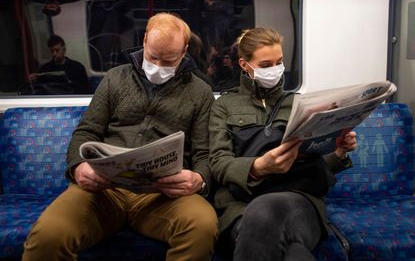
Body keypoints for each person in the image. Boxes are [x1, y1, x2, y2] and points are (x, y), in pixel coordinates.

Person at [22, 13, 218, 261]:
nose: (158, 67)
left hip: (162, 196)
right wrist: (78, 167)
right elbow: (86, 131)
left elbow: (203, 153)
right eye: (153, 57)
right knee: (48, 236)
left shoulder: (200, 92)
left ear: (184, 51)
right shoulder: (115, 78)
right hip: (105, 192)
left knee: (202, 226)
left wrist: (198, 179)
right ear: (145, 40)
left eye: (168, 61)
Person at [208, 28, 357, 261]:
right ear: (244, 64)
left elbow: (314, 160)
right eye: (266, 65)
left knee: (264, 212)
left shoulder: (300, 104)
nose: (275, 70)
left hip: (297, 199)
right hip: (241, 204)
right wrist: (258, 167)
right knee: (293, 253)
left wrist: (338, 151)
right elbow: (218, 163)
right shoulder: (224, 106)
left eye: (279, 63)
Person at [27, 35, 91, 94]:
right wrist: (34, 80)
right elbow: (39, 89)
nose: (54, 54)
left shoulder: (78, 67)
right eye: (52, 51)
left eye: (57, 50)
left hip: (71, 98)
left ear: (64, 50)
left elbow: (85, 89)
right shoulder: (45, 68)